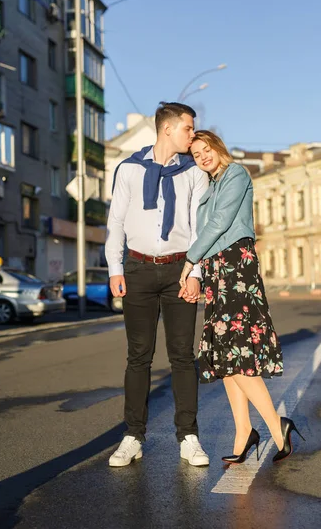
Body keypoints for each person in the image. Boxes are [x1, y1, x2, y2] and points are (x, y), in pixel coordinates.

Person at [179, 131, 305, 464]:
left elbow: (220, 222)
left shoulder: (235, 173)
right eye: (196, 154)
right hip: (217, 270)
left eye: (207, 150)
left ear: (219, 149)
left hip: (236, 266)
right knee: (224, 354)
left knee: (239, 350)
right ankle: (243, 431)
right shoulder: (212, 185)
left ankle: (279, 427)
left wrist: (190, 259)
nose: (203, 157)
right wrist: (200, 268)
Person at [105, 102, 210, 468]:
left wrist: (195, 273)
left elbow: (200, 227)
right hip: (137, 268)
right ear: (168, 129)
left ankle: (188, 437)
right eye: (188, 128)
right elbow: (116, 221)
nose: (192, 135)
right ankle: (133, 436)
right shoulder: (130, 169)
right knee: (139, 356)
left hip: (180, 268)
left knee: (183, 356)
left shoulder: (194, 172)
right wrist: (115, 268)